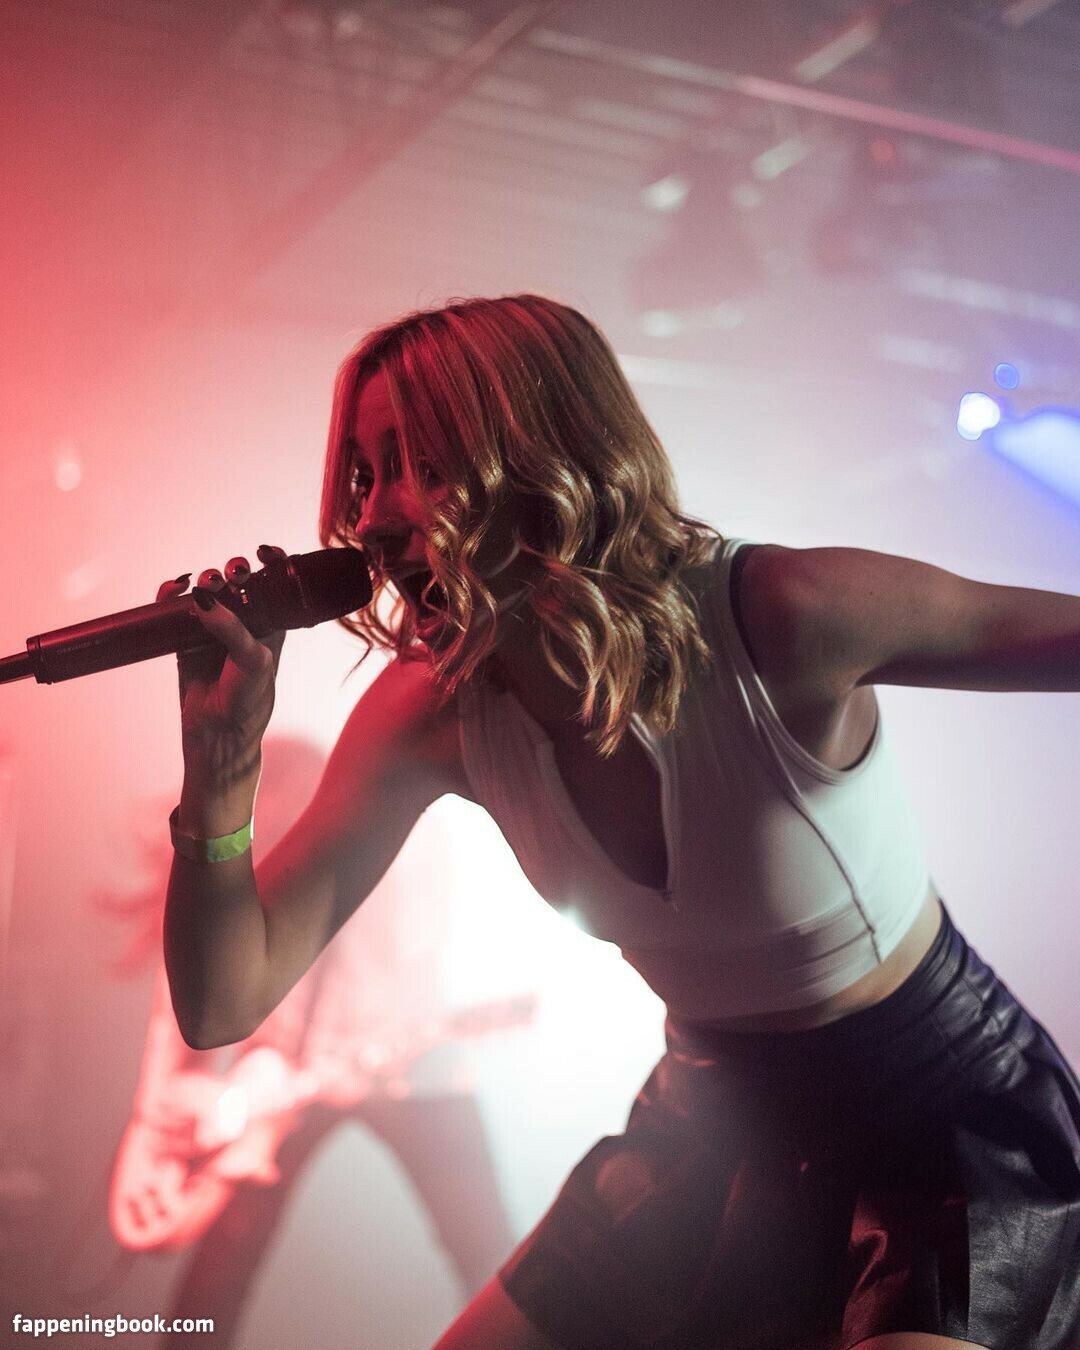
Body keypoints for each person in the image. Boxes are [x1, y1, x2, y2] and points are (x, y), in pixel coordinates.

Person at [159, 294, 1080, 1350]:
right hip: (709, 1126)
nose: (371, 519)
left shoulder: (787, 613)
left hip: (938, 1124)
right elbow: (222, 1002)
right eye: (364, 476)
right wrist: (220, 772)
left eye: (419, 464)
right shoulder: (431, 714)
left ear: (541, 456)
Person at [101, 735, 517, 1346]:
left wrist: (312, 1073)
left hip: (409, 1065)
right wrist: (158, 1115)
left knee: (484, 1249)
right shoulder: (237, 854)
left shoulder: (406, 849)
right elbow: (185, 980)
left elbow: (409, 982)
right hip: (283, 1076)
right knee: (225, 1259)